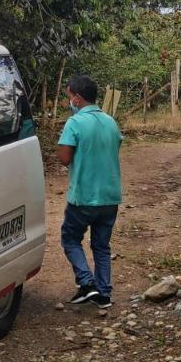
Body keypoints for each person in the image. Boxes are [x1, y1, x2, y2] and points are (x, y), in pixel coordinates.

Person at [57, 74, 123, 308]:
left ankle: (86, 283)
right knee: (101, 246)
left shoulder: (74, 123)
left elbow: (64, 158)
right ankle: (104, 294)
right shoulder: (110, 122)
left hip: (83, 197)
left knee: (70, 238)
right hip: (110, 196)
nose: (69, 102)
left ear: (77, 97)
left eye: (69, 96)